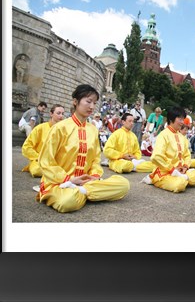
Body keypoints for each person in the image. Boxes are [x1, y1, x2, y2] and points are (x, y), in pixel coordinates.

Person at [36, 84, 130, 213]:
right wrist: (68, 179)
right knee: (67, 202)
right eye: (88, 101)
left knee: (124, 184)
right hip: (60, 182)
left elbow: (96, 159)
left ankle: (82, 192)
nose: (92, 107)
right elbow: (46, 161)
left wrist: (94, 176)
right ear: (75, 102)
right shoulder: (60, 128)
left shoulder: (92, 129)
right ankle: (82, 192)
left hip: (85, 182)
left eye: (94, 103)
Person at [141, 107, 195, 193]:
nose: (182, 122)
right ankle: (169, 179)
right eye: (180, 119)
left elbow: (187, 155)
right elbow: (156, 157)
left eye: (183, 119)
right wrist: (173, 170)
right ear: (171, 119)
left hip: (181, 171)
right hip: (166, 173)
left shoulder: (182, 137)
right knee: (180, 185)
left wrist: (185, 166)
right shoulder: (163, 135)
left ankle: (183, 178)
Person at [22, 104, 65, 178]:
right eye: (58, 113)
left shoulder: (65, 131)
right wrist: (39, 157)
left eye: (62, 114)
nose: (61, 116)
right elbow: (27, 147)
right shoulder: (40, 128)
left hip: (57, 162)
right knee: (37, 171)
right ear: (51, 114)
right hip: (39, 161)